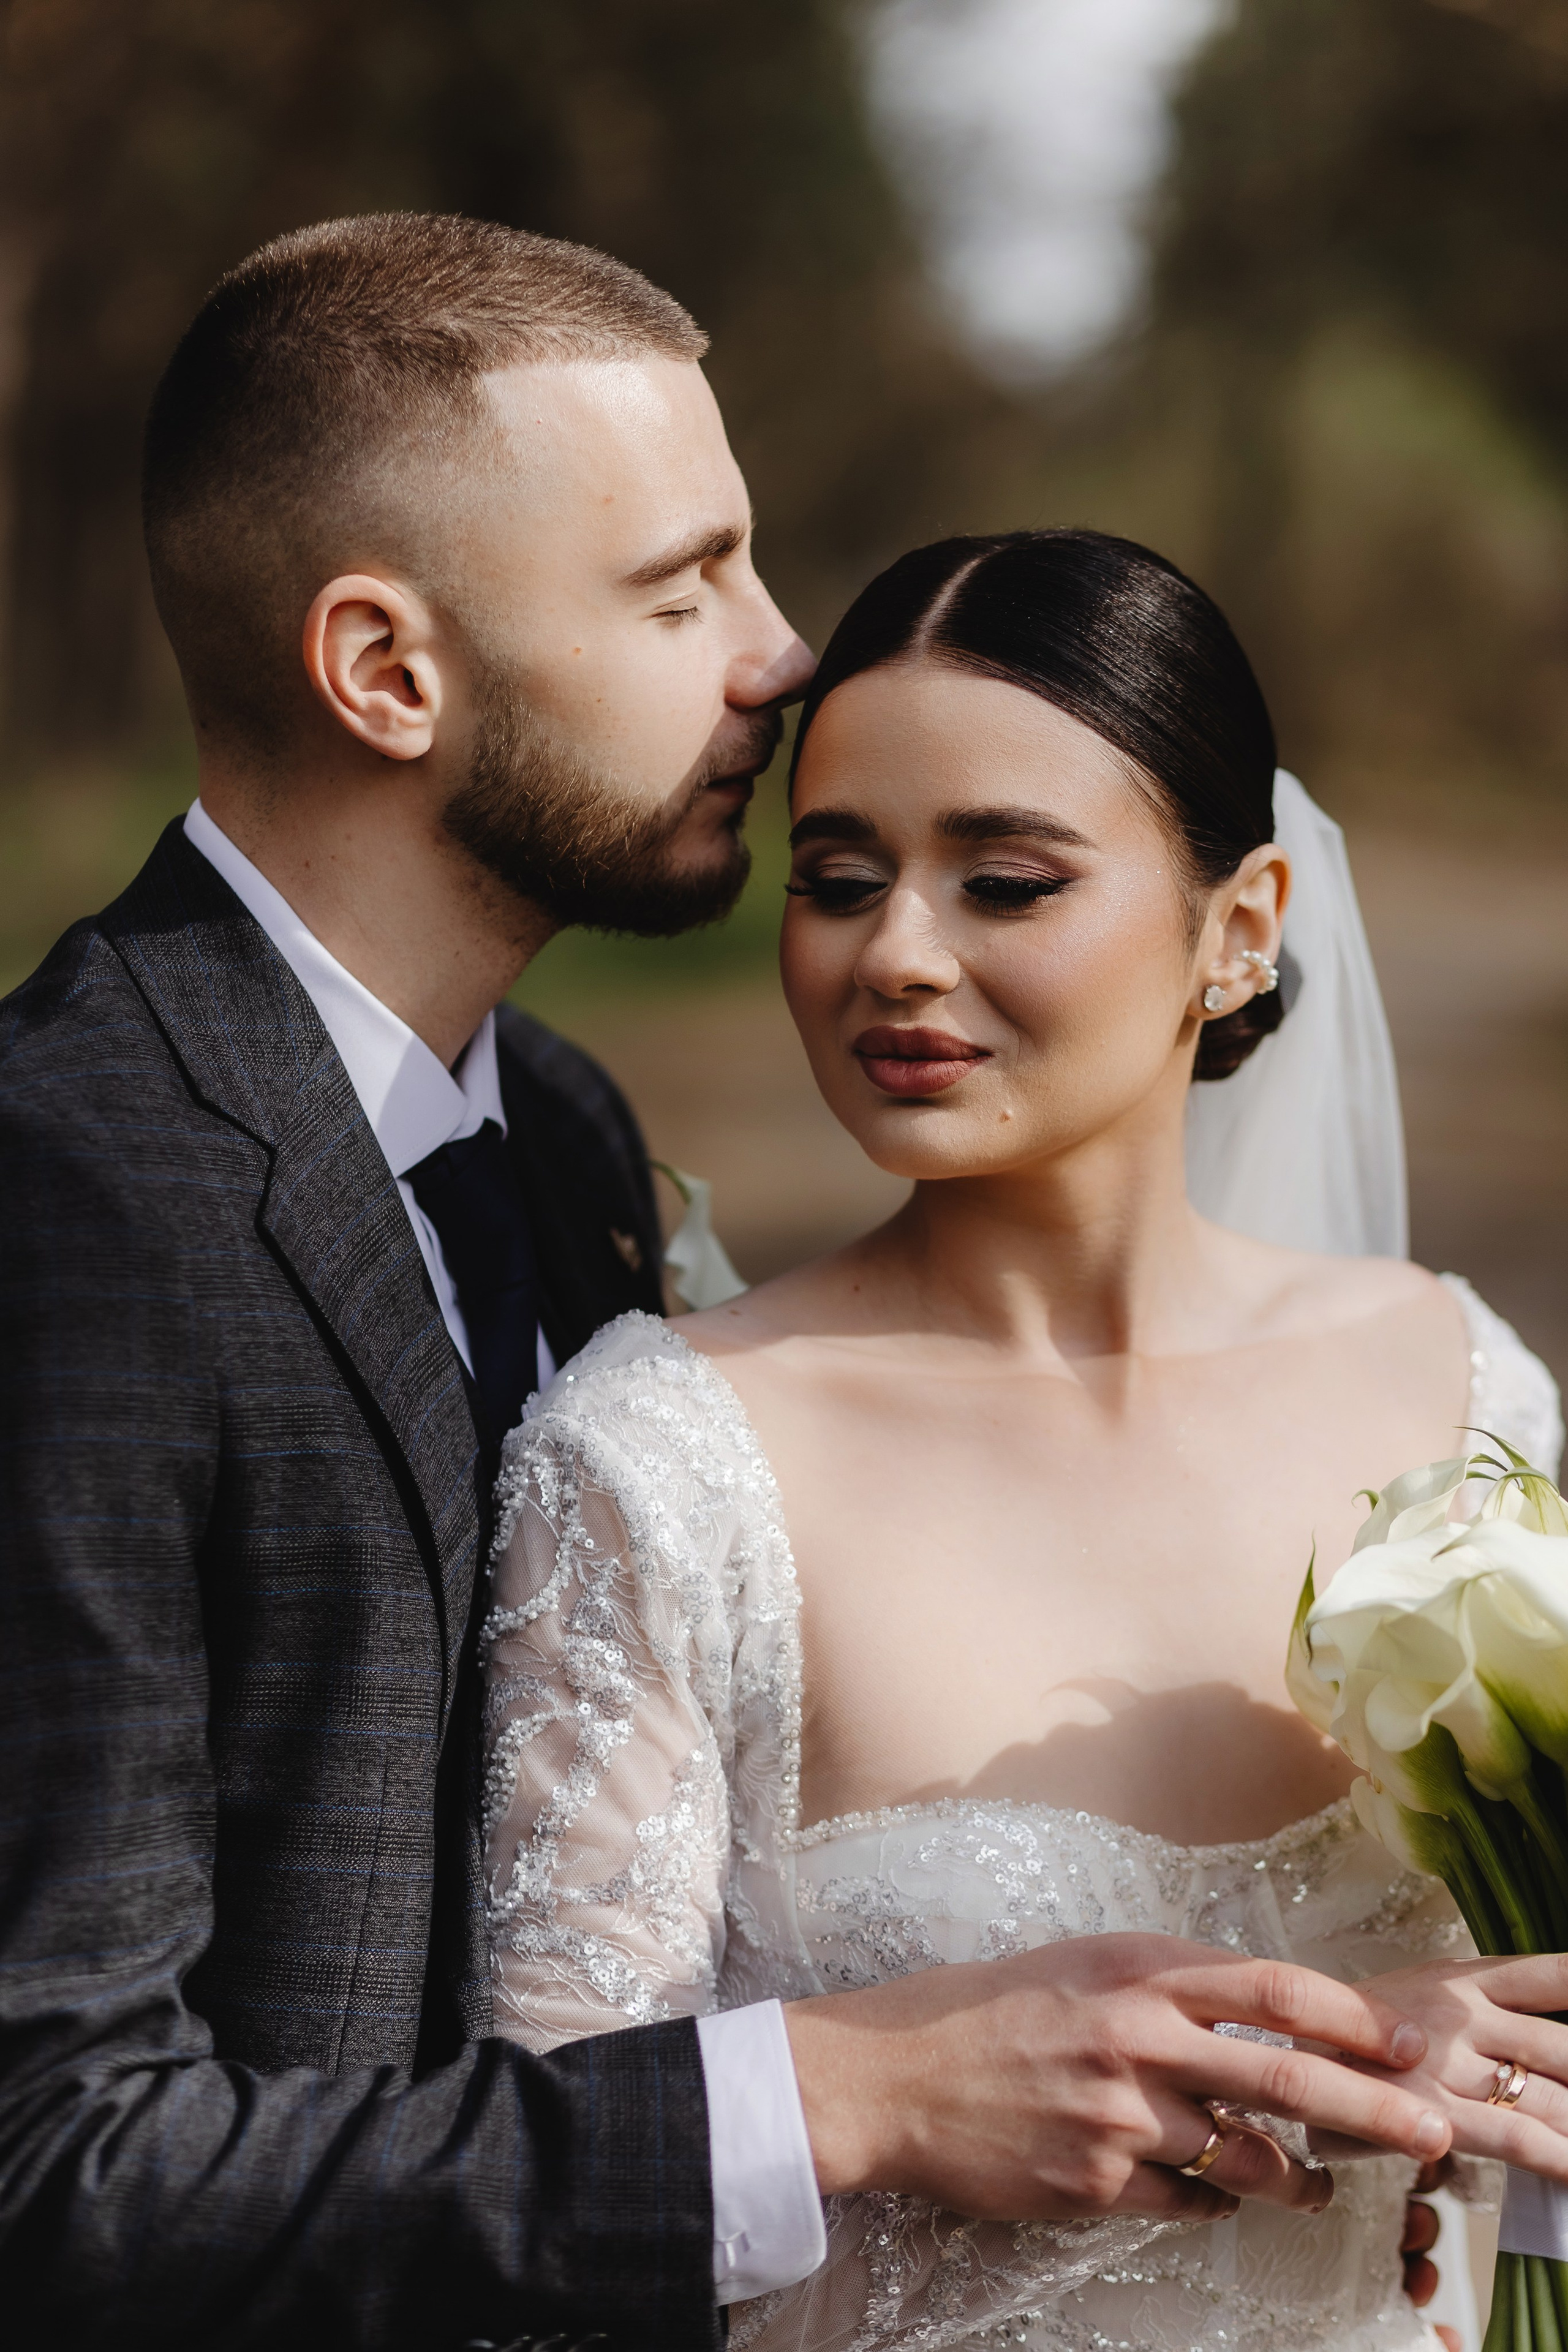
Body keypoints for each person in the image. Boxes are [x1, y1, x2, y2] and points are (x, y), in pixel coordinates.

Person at [479, 529, 1568, 2352]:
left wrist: (1454, 2084)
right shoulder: (665, 1464)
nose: (898, 954)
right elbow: (555, 2205)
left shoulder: (1458, 1388)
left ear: (1243, 930)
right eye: (840, 876)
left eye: (1003, 879)